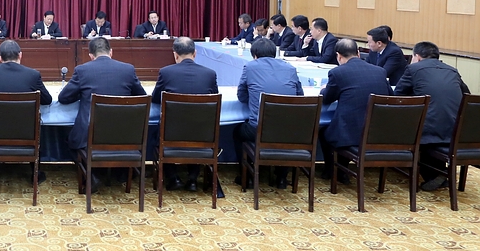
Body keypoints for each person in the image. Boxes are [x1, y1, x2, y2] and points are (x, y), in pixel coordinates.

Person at [59, 37, 145, 191]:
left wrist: (82, 94)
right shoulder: (128, 69)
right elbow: (142, 98)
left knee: (71, 141)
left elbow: (64, 98)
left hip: (90, 134)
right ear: (111, 52)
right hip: (125, 135)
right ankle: (122, 173)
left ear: (91, 55)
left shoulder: (82, 70)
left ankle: (91, 175)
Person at [394, 41, 471, 191]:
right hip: (455, 130)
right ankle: (440, 174)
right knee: (431, 126)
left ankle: (435, 175)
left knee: (416, 130)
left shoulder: (413, 69)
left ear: (417, 57)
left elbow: (398, 96)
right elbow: (466, 95)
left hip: (427, 131)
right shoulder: (452, 70)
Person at [319, 39, 393, 182]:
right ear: (358, 53)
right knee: (343, 126)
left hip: (350, 133)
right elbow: (390, 96)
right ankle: (341, 170)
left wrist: (324, 89)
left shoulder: (338, 72)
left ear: (338, 56)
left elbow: (327, 98)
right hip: (377, 133)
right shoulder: (380, 71)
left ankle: (332, 170)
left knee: (325, 131)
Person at [234, 38, 304, 189]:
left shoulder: (250, 67)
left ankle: (247, 177)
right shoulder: (290, 68)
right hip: (289, 131)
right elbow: (299, 96)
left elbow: (241, 95)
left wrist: (254, 99)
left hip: (258, 129)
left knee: (237, 132)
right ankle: (282, 178)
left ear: (254, 55)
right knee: (285, 135)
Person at [150, 37, 218, 192]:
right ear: (195, 53)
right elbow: (214, 98)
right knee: (196, 128)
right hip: (202, 134)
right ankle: (193, 179)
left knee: (159, 132)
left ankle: (173, 178)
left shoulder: (166, 72)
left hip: (171, 134)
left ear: (175, 54)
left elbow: (155, 98)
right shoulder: (210, 74)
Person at [0, 40, 52, 184]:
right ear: (20, 55)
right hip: (26, 133)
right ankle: (35, 174)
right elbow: (47, 100)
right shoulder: (33, 74)